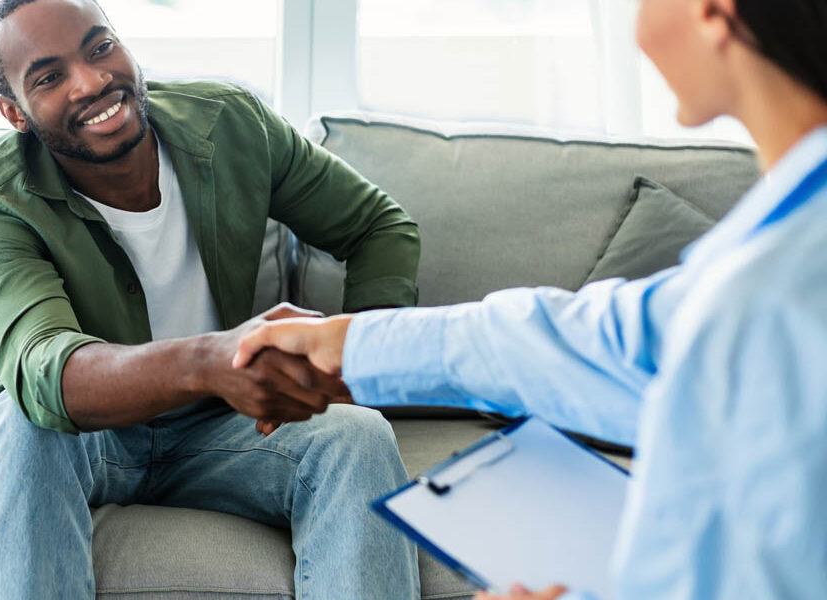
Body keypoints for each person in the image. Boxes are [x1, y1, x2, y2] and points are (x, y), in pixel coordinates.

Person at [232, 0, 827, 598]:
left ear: (712, 11)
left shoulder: (772, 296)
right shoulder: (773, 257)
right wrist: (355, 346)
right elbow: (610, 340)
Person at [0, 0, 424, 597]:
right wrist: (209, 363)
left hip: (227, 432)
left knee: (359, 437)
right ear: (14, 113)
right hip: (87, 439)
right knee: (20, 423)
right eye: (49, 77)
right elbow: (45, 372)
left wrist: (357, 360)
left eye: (100, 48)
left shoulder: (230, 123)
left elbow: (377, 225)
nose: (92, 81)